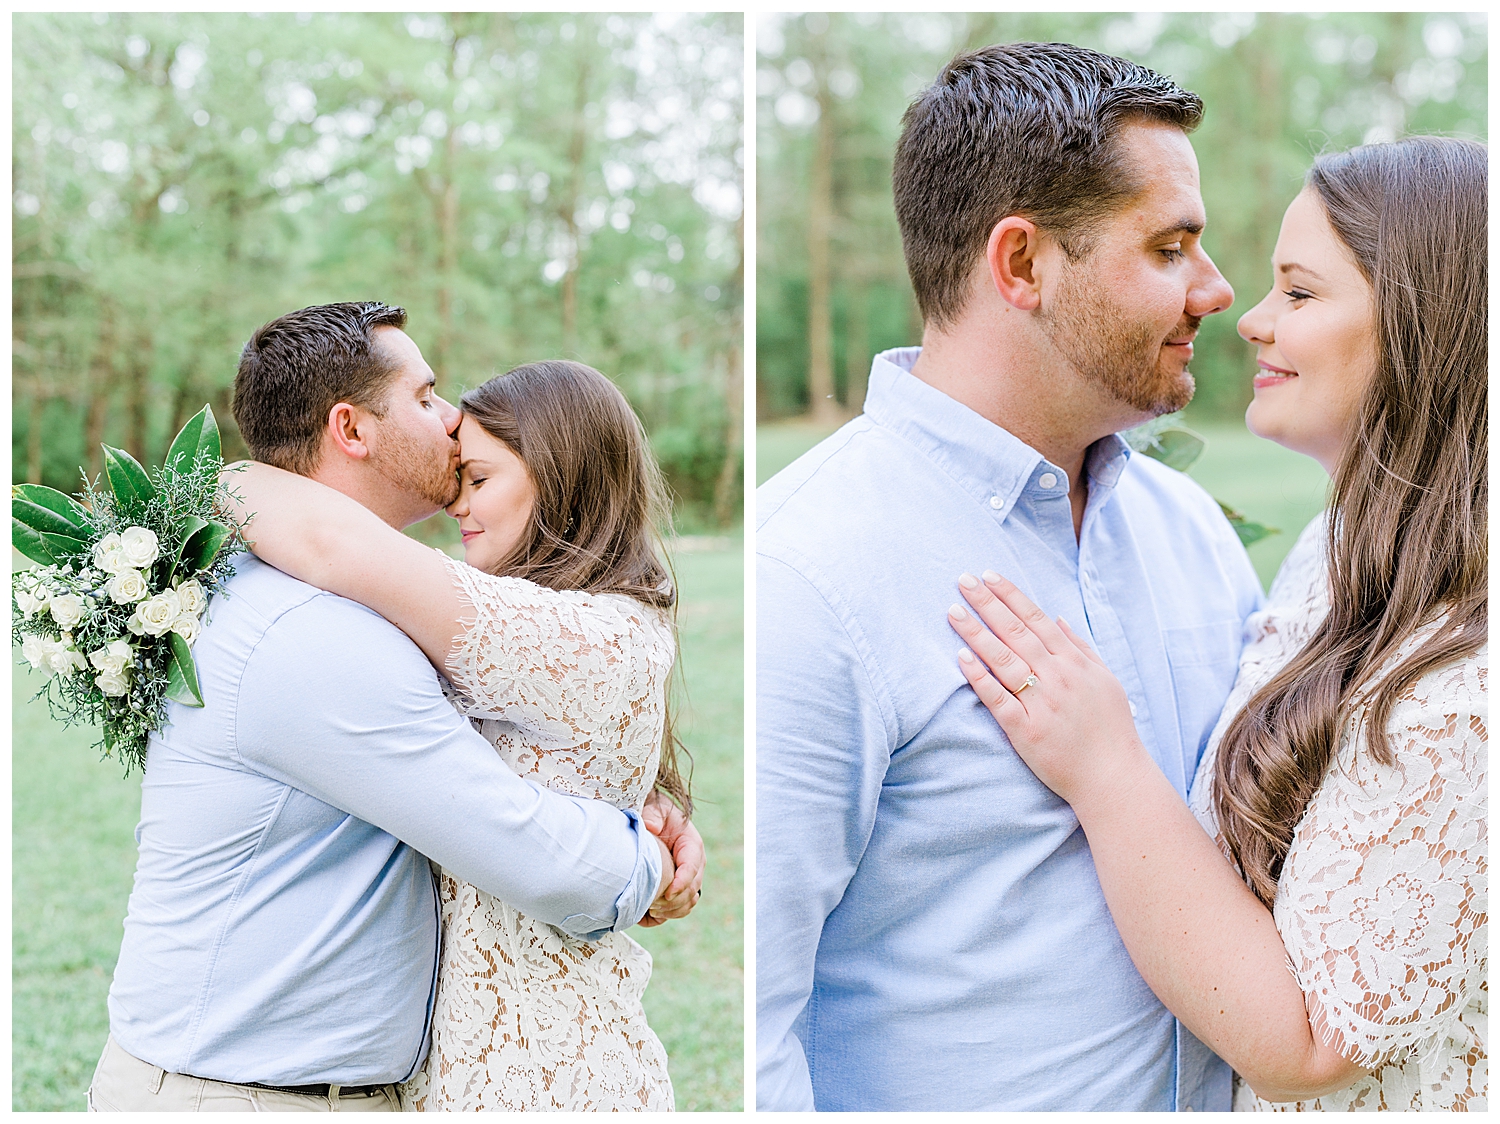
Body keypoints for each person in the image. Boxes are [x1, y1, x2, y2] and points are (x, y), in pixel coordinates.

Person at [756, 43, 1260, 1111]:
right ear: (1022, 265)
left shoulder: (1192, 533)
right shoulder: (806, 571)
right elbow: (759, 1031)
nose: (1217, 290)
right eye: (1170, 248)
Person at [950, 136, 1486, 1111]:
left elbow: (1311, 1045)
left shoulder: (1469, 686)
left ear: (1421, 323)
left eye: (1300, 292)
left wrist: (1103, 766)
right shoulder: (1336, 554)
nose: (1250, 317)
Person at [87, 303, 703, 1112]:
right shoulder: (313, 633)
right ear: (352, 429)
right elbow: (531, 851)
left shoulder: (349, 601)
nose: (450, 421)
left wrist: (619, 786)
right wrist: (648, 859)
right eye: (426, 395)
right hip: (241, 1096)